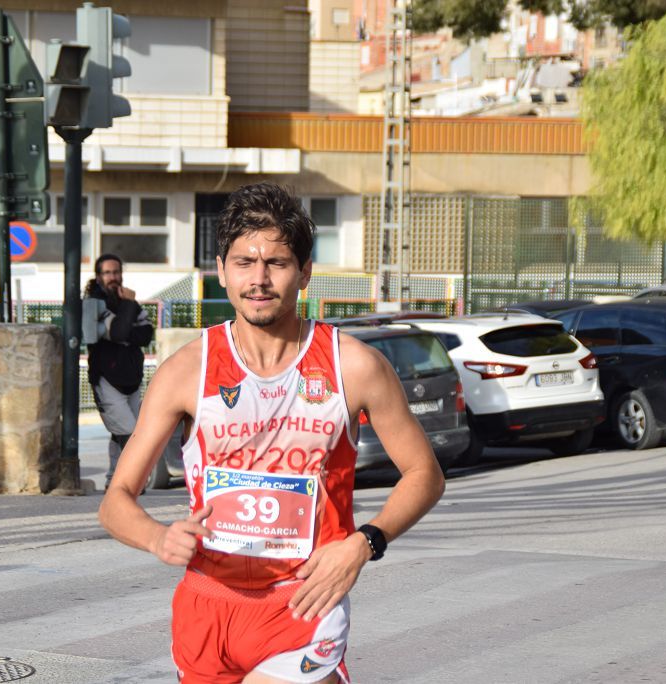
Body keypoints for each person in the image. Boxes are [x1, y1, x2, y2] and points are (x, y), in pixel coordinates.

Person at [99, 182, 445, 683]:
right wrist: (157, 538)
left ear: (304, 272)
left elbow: (424, 474)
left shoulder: (355, 366)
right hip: (206, 609)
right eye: (244, 263)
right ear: (221, 271)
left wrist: (364, 542)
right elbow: (115, 501)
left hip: (303, 604)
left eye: (276, 263)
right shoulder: (185, 371)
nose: (258, 280)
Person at [84, 253, 154, 490]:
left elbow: (145, 334)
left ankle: (114, 480)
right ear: (99, 276)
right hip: (106, 379)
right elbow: (119, 333)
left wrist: (126, 321)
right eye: (108, 273)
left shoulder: (127, 300)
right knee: (129, 432)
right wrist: (129, 307)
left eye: (116, 272)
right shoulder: (94, 303)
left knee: (121, 432)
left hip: (132, 378)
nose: (113, 277)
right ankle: (129, 483)